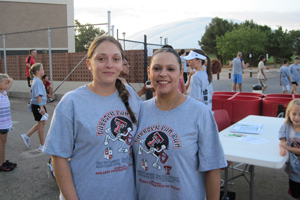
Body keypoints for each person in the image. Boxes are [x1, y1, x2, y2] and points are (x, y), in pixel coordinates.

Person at [43, 36, 141, 200]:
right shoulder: (72, 102)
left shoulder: (130, 96)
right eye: (101, 58)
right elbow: (59, 158)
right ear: (89, 64)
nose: (109, 64)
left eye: (115, 59)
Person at [133, 47, 227, 200]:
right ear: (149, 72)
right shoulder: (140, 110)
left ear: (180, 72)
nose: (163, 73)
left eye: (170, 68)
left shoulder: (200, 113)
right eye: (157, 68)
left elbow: (212, 168)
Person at [21, 63, 47, 151]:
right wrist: (42, 107)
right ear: (38, 71)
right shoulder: (38, 81)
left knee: (42, 123)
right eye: (42, 69)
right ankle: (42, 145)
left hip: (38, 105)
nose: (43, 71)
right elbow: (38, 96)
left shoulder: (36, 80)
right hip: (38, 106)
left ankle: (27, 136)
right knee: (41, 124)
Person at [279, 99, 300, 200]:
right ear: (288, 114)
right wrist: (282, 146)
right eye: (294, 114)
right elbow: (282, 139)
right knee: (295, 193)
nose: (297, 117)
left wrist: (288, 147)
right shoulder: (287, 125)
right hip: (294, 169)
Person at [0, 74, 16, 172]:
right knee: (1, 143)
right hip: (1, 125)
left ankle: (3, 161)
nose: (7, 85)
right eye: (5, 83)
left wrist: (5, 79)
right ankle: (1, 163)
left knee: (3, 143)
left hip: (6, 124)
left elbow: (11, 79)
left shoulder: (4, 93)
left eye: (7, 83)